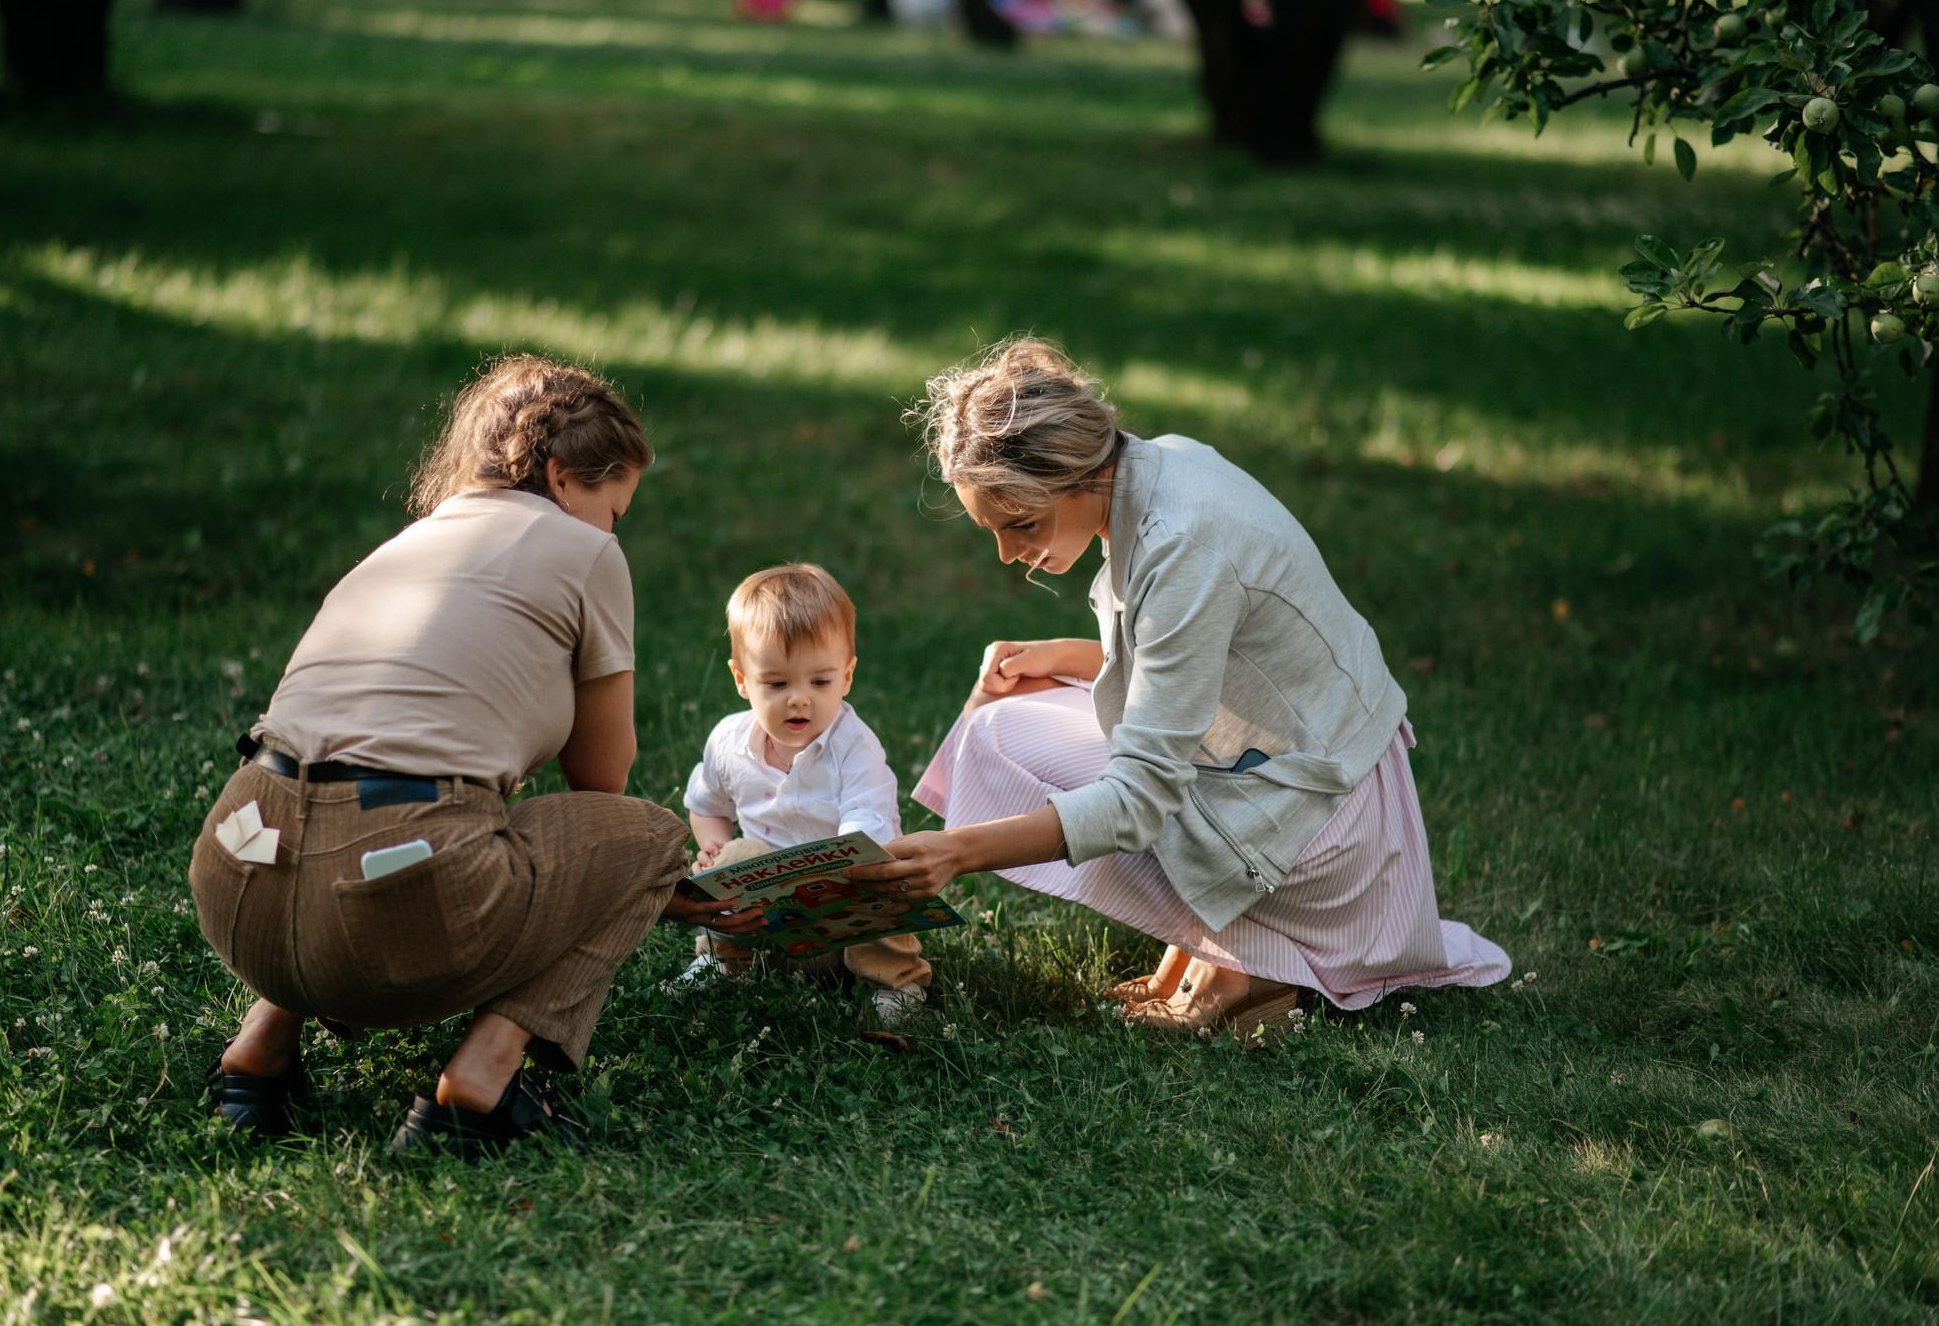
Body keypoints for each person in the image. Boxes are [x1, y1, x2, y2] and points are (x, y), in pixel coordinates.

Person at [849, 337, 1510, 1033]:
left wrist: (957, 853)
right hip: (1304, 777)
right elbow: (1201, 670)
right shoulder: (1159, 463)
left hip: (1321, 835)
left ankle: (1251, 958)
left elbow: (1141, 799)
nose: (1009, 554)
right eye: (994, 531)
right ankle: (1215, 937)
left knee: (1026, 749)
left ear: (1076, 475)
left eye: (1022, 525)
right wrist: (1063, 657)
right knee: (1004, 718)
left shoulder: (1182, 544)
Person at [188, 354, 758, 1157]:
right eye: (614, 509)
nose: (611, 531)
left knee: (362, 802)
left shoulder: (408, 543)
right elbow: (601, 783)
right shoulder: (585, 550)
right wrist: (652, 884)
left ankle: (259, 1048)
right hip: (388, 893)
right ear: (561, 478)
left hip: (237, 873)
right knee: (651, 837)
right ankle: (481, 1082)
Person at [678, 564, 933, 1024]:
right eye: (777, 684)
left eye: (820, 682)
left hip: (845, 921)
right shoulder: (728, 743)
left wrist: (836, 870)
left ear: (847, 676)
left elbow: (867, 828)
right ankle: (724, 962)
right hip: (771, 925)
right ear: (741, 679)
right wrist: (715, 848)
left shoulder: (854, 746)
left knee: (879, 869)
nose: (799, 698)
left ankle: (894, 983)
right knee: (737, 856)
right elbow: (706, 805)